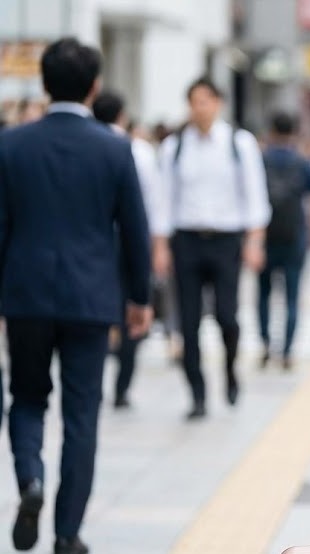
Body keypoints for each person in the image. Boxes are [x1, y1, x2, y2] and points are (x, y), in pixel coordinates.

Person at [0, 38, 153, 554]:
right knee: (81, 415)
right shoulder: (115, 147)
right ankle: (67, 534)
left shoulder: (11, 145)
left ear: (44, 84)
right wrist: (139, 298)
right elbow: (134, 229)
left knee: (25, 397)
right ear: (94, 87)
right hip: (91, 299)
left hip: (24, 296)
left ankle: (30, 481)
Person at [155, 77, 271, 420]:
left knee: (227, 316)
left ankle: (231, 372)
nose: (199, 108)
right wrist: (160, 246)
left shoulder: (239, 143)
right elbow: (163, 201)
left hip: (226, 241)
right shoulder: (174, 147)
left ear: (218, 103)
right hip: (186, 240)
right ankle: (197, 393)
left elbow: (254, 195)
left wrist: (254, 241)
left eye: (206, 101)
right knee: (187, 322)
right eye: (194, 101)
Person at [92, 90, 171, 409]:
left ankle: (93, 382)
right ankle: (122, 385)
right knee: (131, 316)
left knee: (93, 316)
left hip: (90, 247)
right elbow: (148, 209)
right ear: (122, 116)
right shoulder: (134, 150)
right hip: (125, 244)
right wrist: (157, 248)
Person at [258, 112, 310, 370]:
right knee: (292, 296)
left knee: (263, 294)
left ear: (271, 130)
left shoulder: (261, 159)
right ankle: (286, 351)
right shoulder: (301, 161)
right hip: (294, 235)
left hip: (265, 235)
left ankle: (265, 343)